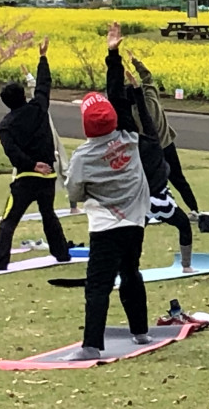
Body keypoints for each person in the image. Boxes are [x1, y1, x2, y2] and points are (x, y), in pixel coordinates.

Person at [63, 31, 156, 362]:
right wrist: (113, 55)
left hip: (104, 226)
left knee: (98, 284)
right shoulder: (129, 138)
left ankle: (91, 345)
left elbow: (74, 191)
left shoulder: (82, 158)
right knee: (131, 272)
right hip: (135, 221)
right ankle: (140, 331)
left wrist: (89, 189)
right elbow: (116, 97)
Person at [0, 37, 72, 271]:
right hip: (48, 177)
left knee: (9, 221)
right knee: (49, 215)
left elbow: (12, 153)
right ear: (23, 96)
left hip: (26, 178)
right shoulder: (38, 107)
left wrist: (31, 165)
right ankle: (62, 255)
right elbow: (43, 85)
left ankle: (1, 262)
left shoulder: (6, 125)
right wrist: (43, 57)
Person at [128, 52, 201, 213]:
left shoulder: (134, 113)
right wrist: (136, 62)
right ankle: (194, 209)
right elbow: (148, 78)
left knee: (150, 182)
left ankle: (149, 210)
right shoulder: (152, 97)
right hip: (168, 144)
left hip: (151, 151)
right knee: (179, 179)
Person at [21, 63, 74, 213]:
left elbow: (37, 90)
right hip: (42, 152)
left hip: (53, 146)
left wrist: (29, 76)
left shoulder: (39, 111)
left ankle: (73, 206)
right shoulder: (29, 116)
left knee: (67, 172)